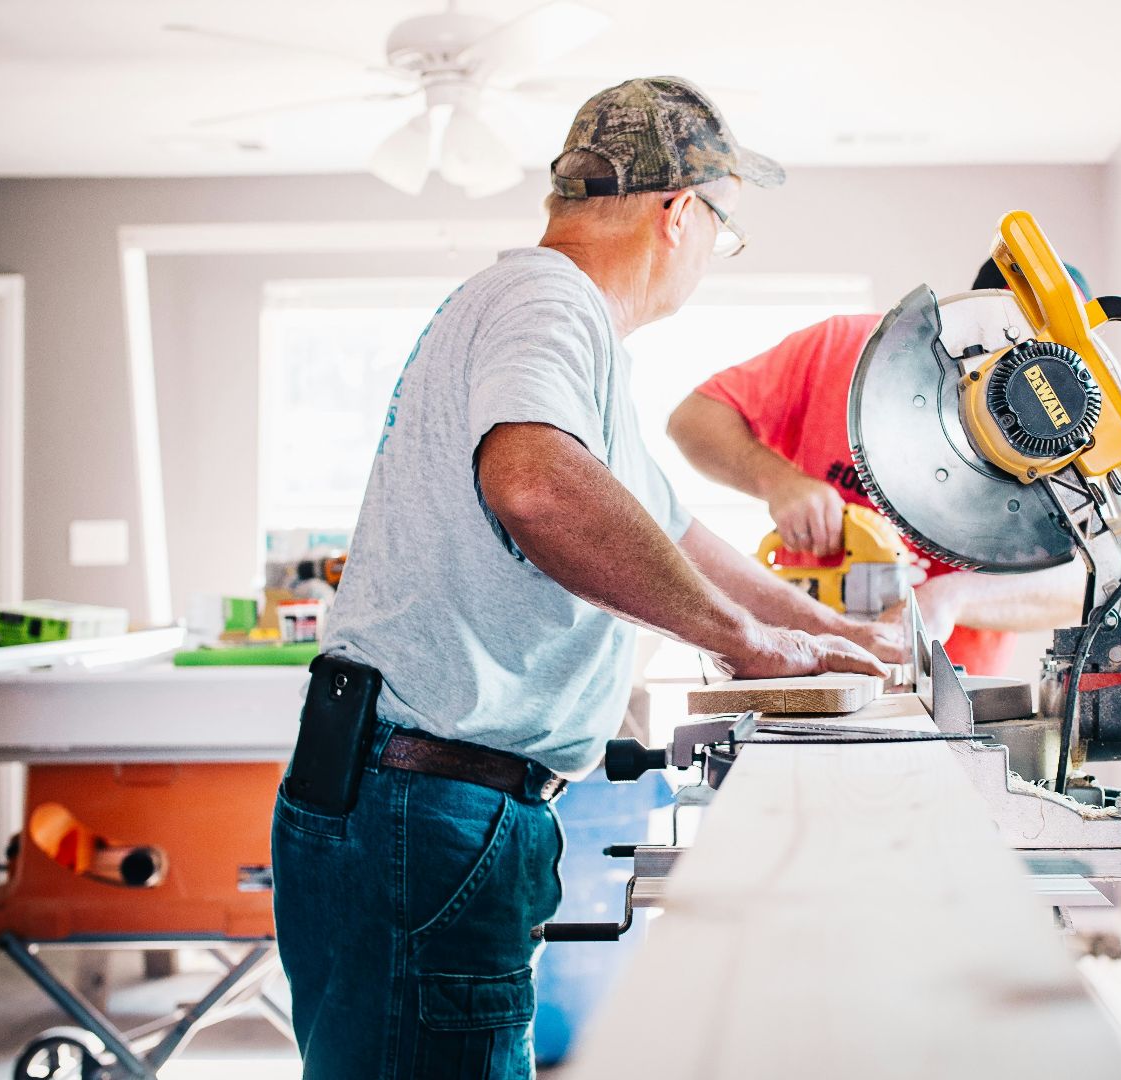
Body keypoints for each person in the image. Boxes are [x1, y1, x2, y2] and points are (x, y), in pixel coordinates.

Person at [270, 76, 900, 1080]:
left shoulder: (562, 332)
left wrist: (834, 642)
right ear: (681, 213)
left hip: (427, 802)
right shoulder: (546, 297)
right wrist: (744, 643)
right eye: (722, 233)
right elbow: (536, 488)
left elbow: (679, 534)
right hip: (425, 808)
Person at [665, 260, 1095, 677]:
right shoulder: (843, 348)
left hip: (950, 692)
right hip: (803, 665)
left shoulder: (1066, 440)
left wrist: (953, 596)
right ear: (965, 313)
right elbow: (693, 420)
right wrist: (778, 481)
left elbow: (1087, 584)